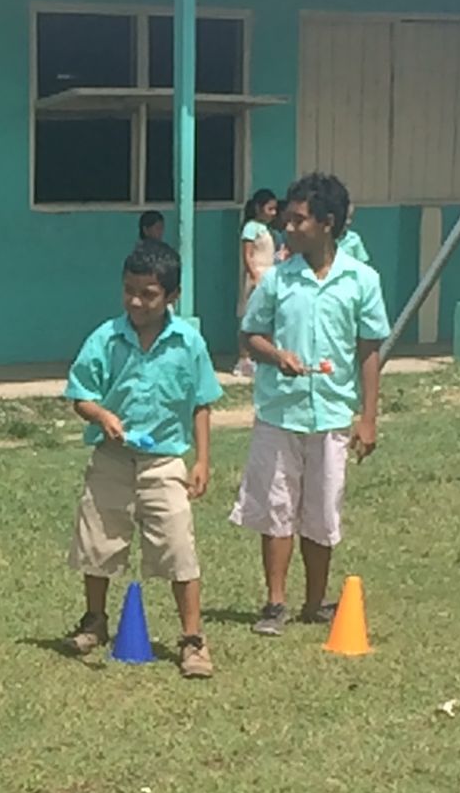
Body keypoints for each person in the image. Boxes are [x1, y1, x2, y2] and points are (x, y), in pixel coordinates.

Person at [233, 171, 389, 636]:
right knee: (277, 507)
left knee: (322, 511)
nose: (288, 227)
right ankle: (275, 603)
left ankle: (315, 601)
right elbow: (249, 335)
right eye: (287, 218)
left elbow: (369, 350)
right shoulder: (278, 281)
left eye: (299, 220)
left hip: (334, 414)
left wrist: (368, 417)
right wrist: (275, 355)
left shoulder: (361, 280)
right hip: (280, 412)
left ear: (327, 223)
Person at [59, 239, 221, 679]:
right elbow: (80, 395)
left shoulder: (188, 342)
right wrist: (102, 414)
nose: (135, 301)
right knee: (99, 539)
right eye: (129, 290)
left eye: (148, 293)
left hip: (165, 460)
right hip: (112, 458)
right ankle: (94, 621)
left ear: (171, 296)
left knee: (177, 545)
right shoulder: (106, 338)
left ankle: (192, 640)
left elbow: (202, 403)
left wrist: (202, 460)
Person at [235, 189, 281, 377]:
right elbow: (247, 255)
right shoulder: (251, 228)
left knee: (265, 316)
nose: (273, 213)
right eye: (270, 209)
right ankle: (244, 358)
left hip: (268, 274)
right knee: (249, 315)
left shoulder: (267, 230)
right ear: (258, 208)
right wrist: (254, 276)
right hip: (256, 275)